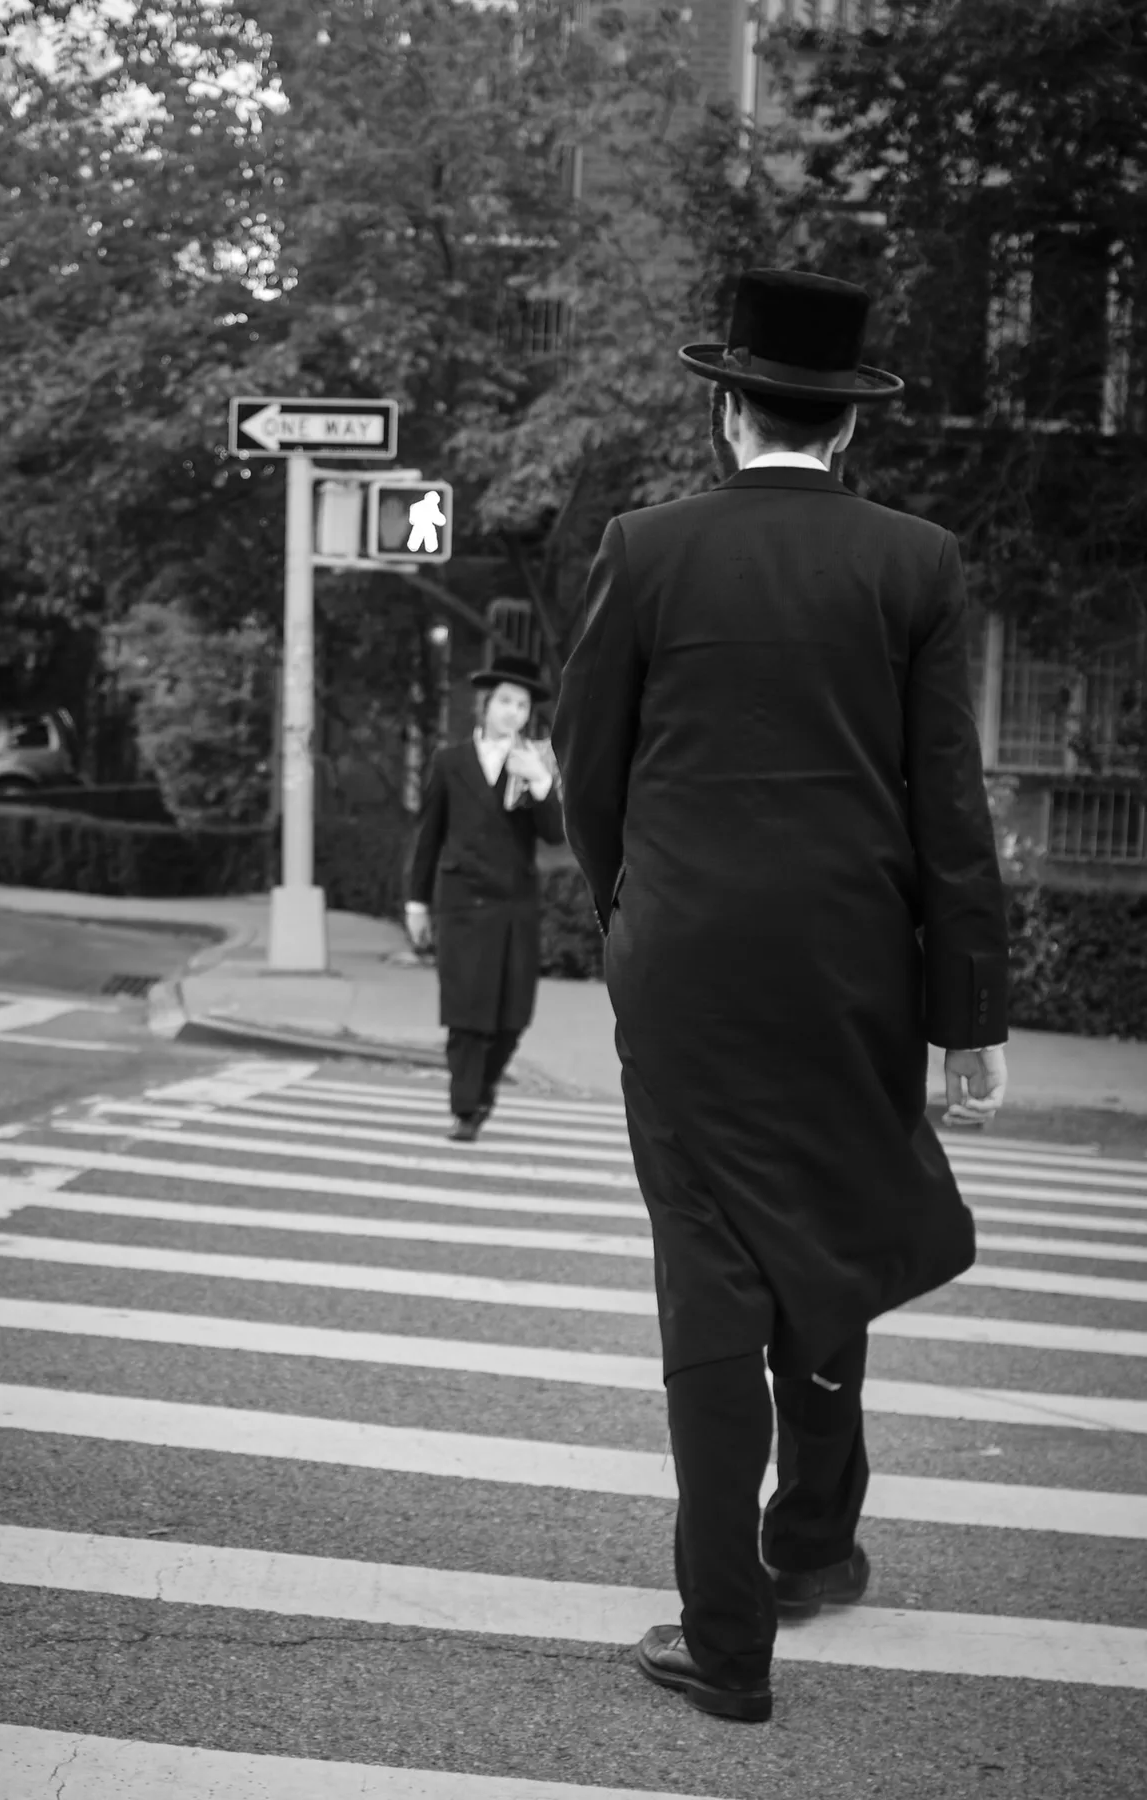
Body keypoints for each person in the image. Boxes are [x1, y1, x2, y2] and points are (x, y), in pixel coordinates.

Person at [551, 267, 1010, 1723]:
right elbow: (950, 805)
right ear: (847, 426)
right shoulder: (917, 563)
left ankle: (723, 1636)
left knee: (709, 1266)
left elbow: (587, 766)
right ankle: (810, 1543)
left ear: (727, 405)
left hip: (684, 965)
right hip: (856, 964)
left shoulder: (647, 546)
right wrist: (971, 1016)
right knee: (826, 1223)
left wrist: (638, 907)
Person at [405, 649, 565, 1141]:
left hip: (514, 905)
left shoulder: (535, 762)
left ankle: (486, 1086)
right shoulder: (449, 762)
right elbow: (428, 836)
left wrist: (541, 784)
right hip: (461, 904)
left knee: (512, 1017)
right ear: (486, 705)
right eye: (505, 702)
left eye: (521, 706)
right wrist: (416, 902)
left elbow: (555, 835)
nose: (512, 713)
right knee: (466, 1012)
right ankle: (465, 1108)